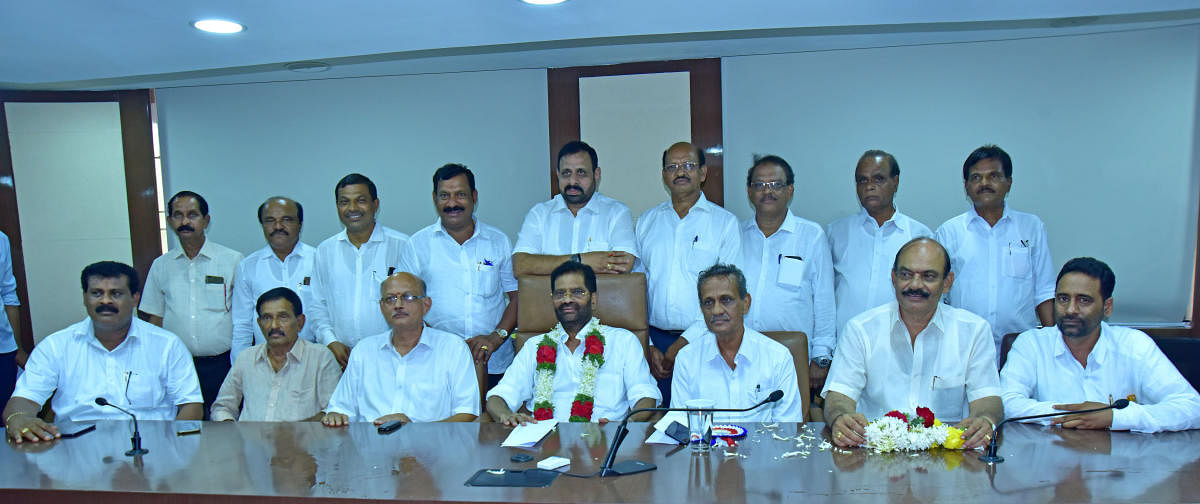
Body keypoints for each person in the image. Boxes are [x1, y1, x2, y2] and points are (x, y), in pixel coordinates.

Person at [822, 237, 1001, 450]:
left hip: (947, 457)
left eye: (929, 276)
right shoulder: (861, 329)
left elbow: (988, 400)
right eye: (906, 275)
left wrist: (985, 421)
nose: (915, 285)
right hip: (874, 452)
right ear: (893, 278)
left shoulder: (973, 330)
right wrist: (841, 417)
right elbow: (839, 396)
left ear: (947, 283)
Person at [4, 261, 202, 443]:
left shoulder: (167, 345)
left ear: (135, 298)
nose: (105, 301)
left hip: (152, 450)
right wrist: (18, 418)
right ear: (84, 297)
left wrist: (172, 446)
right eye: (97, 293)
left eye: (116, 294)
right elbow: (24, 399)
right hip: (75, 454)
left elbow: (191, 405)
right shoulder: (56, 346)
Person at [1001, 257, 1200, 432]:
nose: (1071, 309)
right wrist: (1077, 414)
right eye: (1063, 299)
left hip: (1122, 467)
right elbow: (1006, 402)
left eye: (1084, 300)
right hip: (1049, 463)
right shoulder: (1031, 344)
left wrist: (1115, 417)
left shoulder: (1135, 345)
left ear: (1107, 307)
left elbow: (1192, 407)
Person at [486, 262, 659, 425]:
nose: (567, 300)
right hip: (543, 441)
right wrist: (506, 415)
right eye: (560, 294)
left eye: (577, 292)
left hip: (604, 438)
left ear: (593, 299)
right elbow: (499, 397)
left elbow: (644, 394)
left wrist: (629, 423)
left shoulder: (623, 341)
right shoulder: (534, 346)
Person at [636, 141, 741, 406]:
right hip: (654, 343)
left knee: (701, 419)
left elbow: (728, 294)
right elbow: (636, 287)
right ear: (663, 175)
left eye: (688, 166)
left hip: (707, 338)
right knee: (657, 424)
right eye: (672, 166)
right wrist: (647, 344)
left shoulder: (724, 223)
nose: (680, 172)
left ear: (703, 173)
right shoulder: (647, 222)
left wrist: (683, 342)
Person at [398, 164, 517, 381]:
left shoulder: (498, 241)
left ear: (474, 196)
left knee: (492, 414)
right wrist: (445, 343)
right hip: (436, 362)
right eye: (445, 196)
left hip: (494, 362)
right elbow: (405, 302)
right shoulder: (417, 245)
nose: (452, 203)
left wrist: (495, 338)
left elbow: (518, 297)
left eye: (460, 195)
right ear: (435, 198)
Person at [935, 145, 1054, 352]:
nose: (984, 183)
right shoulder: (949, 232)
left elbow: (1043, 290)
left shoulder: (1031, 227)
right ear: (966, 186)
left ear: (1008, 182)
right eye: (976, 178)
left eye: (993, 176)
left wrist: (1053, 344)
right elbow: (938, 295)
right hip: (963, 345)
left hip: (1020, 346)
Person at [321, 272, 479, 425]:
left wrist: (415, 431)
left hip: (430, 447)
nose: (398, 305)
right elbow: (341, 408)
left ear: (426, 305)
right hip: (371, 446)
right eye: (390, 299)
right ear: (382, 307)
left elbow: (467, 414)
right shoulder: (363, 351)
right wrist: (336, 415)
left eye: (408, 297)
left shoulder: (453, 348)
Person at [140, 190, 244, 418]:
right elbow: (154, 319)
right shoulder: (161, 266)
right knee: (185, 429)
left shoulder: (232, 260)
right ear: (169, 221)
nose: (185, 222)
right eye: (177, 215)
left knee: (224, 426)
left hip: (223, 364)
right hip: (177, 365)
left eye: (192, 215)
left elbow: (243, 317)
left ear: (206, 220)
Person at [739, 155, 836, 396]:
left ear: (790, 190)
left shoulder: (811, 235)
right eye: (760, 184)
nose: (767, 191)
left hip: (794, 353)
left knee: (793, 426)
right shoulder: (736, 235)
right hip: (743, 351)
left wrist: (821, 356)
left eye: (776, 184)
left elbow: (823, 299)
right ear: (750, 192)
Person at [671, 263, 804, 422]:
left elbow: (787, 428)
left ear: (746, 303)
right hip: (707, 447)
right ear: (701, 308)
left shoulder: (778, 357)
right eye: (708, 302)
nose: (716, 310)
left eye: (726, 300)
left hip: (765, 446)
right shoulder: (687, 358)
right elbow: (680, 424)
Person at [307, 173, 409, 368]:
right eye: (344, 202)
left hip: (391, 357)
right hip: (340, 358)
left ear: (375, 204)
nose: (352, 208)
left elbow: (412, 304)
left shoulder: (402, 246)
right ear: (337, 206)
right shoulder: (325, 251)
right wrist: (330, 341)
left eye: (360, 201)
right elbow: (317, 305)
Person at [827, 149, 932, 334]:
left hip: (899, 342)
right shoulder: (836, 232)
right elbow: (823, 293)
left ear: (896, 182)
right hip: (844, 342)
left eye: (878, 179)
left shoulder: (920, 236)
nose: (869, 186)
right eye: (862, 180)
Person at [211, 287, 342, 422]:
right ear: (259, 323)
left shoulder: (321, 358)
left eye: (282, 317)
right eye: (267, 318)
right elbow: (222, 408)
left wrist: (296, 432)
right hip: (250, 441)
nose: (274, 325)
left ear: (300, 322)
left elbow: (334, 411)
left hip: (303, 441)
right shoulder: (246, 358)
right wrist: (232, 431)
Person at [512, 141, 638, 276]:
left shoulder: (616, 212)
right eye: (566, 173)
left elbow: (624, 265)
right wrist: (581, 260)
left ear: (596, 174)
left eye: (581, 172)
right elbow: (520, 265)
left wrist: (546, 264)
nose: (573, 181)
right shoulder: (539, 214)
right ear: (558, 174)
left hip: (603, 297)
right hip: (548, 297)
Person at [230, 197, 320, 362]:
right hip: (265, 362)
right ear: (262, 225)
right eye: (270, 221)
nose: (278, 226)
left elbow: (326, 314)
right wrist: (239, 369)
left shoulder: (319, 260)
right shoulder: (247, 267)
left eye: (286, 220)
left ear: (300, 224)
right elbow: (242, 326)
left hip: (312, 361)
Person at [0, 230, 24, 404]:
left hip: (3, 347)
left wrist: (18, 348)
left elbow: (8, 294)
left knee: (5, 416)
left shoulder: (1, 239)